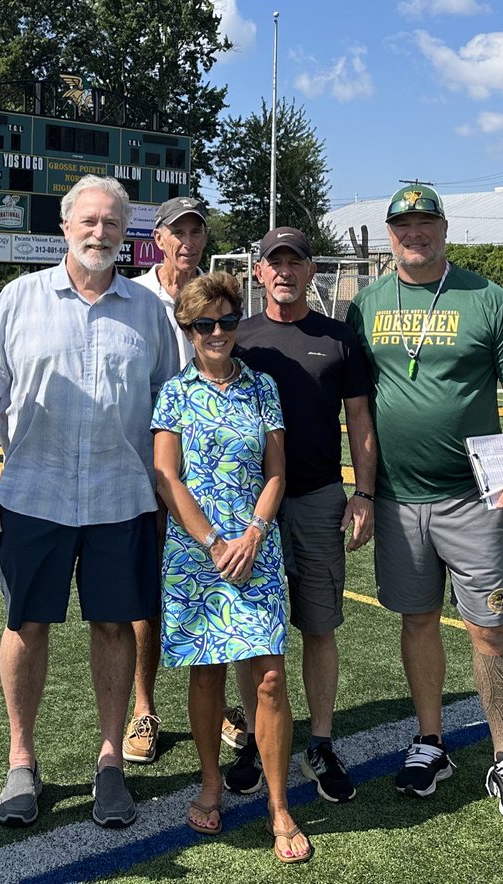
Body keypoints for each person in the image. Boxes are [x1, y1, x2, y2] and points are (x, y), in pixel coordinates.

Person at [0, 175, 177, 830]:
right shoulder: (18, 300)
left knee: (114, 626)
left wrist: (171, 494)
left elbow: (170, 407)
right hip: (35, 492)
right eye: (88, 220)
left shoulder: (149, 313)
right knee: (26, 625)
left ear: (127, 234)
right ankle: (21, 761)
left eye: (112, 223)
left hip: (124, 497)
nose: (100, 232)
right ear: (64, 228)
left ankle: (111, 761)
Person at [345, 183, 503, 824]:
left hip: (473, 498)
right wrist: (365, 489)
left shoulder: (488, 298)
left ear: (444, 227)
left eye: (425, 222)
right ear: (389, 232)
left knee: (488, 627)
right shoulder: (367, 303)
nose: (415, 233)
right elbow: (358, 406)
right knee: (418, 621)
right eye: (404, 225)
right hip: (400, 500)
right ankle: (431, 741)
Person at [153, 271, 312, 864]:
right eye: (204, 324)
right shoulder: (174, 393)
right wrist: (214, 541)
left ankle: (278, 804)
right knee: (208, 676)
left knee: (269, 678)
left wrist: (253, 532)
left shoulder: (262, 387)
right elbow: (167, 476)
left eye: (225, 321)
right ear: (188, 329)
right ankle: (212, 783)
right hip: (197, 557)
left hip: (257, 550)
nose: (217, 332)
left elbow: (277, 470)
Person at [224, 226, 378, 803]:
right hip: (250, 501)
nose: (284, 271)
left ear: (313, 271)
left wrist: (363, 494)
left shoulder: (337, 338)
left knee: (318, 624)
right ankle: (254, 739)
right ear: (258, 272)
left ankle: (319, 739)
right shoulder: (237, 337)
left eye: (295, 262)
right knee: (249, 629)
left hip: (317, 497)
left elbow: (360, 419)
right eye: (274, 262)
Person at [123, 195, 208, 764]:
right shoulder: (133, 295)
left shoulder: (217, 292)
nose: (187, 241)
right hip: (145, 471)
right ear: (158, 236)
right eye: (178, 230)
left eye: (195, 230)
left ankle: (217, 702)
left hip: (207, 474)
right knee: (144, 595)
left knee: (209, 588)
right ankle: (143, 707)